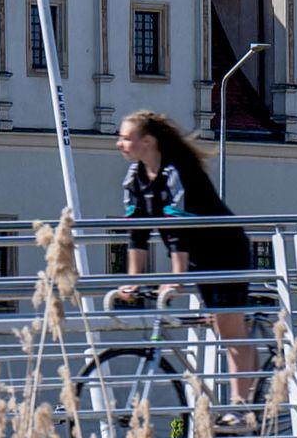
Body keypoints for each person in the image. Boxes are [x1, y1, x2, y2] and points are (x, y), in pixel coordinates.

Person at [114, 109, 273, 401]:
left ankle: (242, 408)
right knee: (222, 322)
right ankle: (248, 398)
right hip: (200, 255)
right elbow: (136, 231)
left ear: (148, 141)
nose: (119, 144)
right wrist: (133, 281)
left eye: (126, 138)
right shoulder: (135, 178)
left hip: (226, 251)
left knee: (228, 327)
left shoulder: (177, 170)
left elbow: (179, 227)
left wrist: (177, 278)